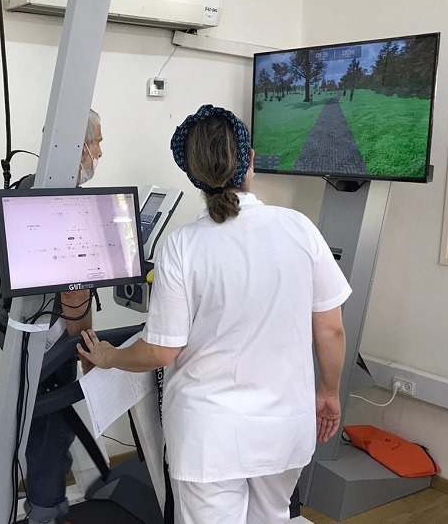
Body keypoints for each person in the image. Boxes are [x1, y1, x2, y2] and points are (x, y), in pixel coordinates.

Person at [77, 104, 349, 524]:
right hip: (283, 432)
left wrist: (108, 357)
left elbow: (159, 353)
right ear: (251, 161)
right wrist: (329, 395)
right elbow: (330, 329)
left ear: (193, 176)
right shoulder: (300, 229)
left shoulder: (183, 246)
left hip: (210, 439)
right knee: (274, 517)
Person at [0, 109, 104, 524]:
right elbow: (74, 295)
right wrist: (87, 347)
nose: (100, 153)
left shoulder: (28, 188)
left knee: (23, 412)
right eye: (97, 143)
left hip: (13, 327)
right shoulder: (63, 201)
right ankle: (45, 512)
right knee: (49, 429)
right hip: (47, 334)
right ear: (77, 146)